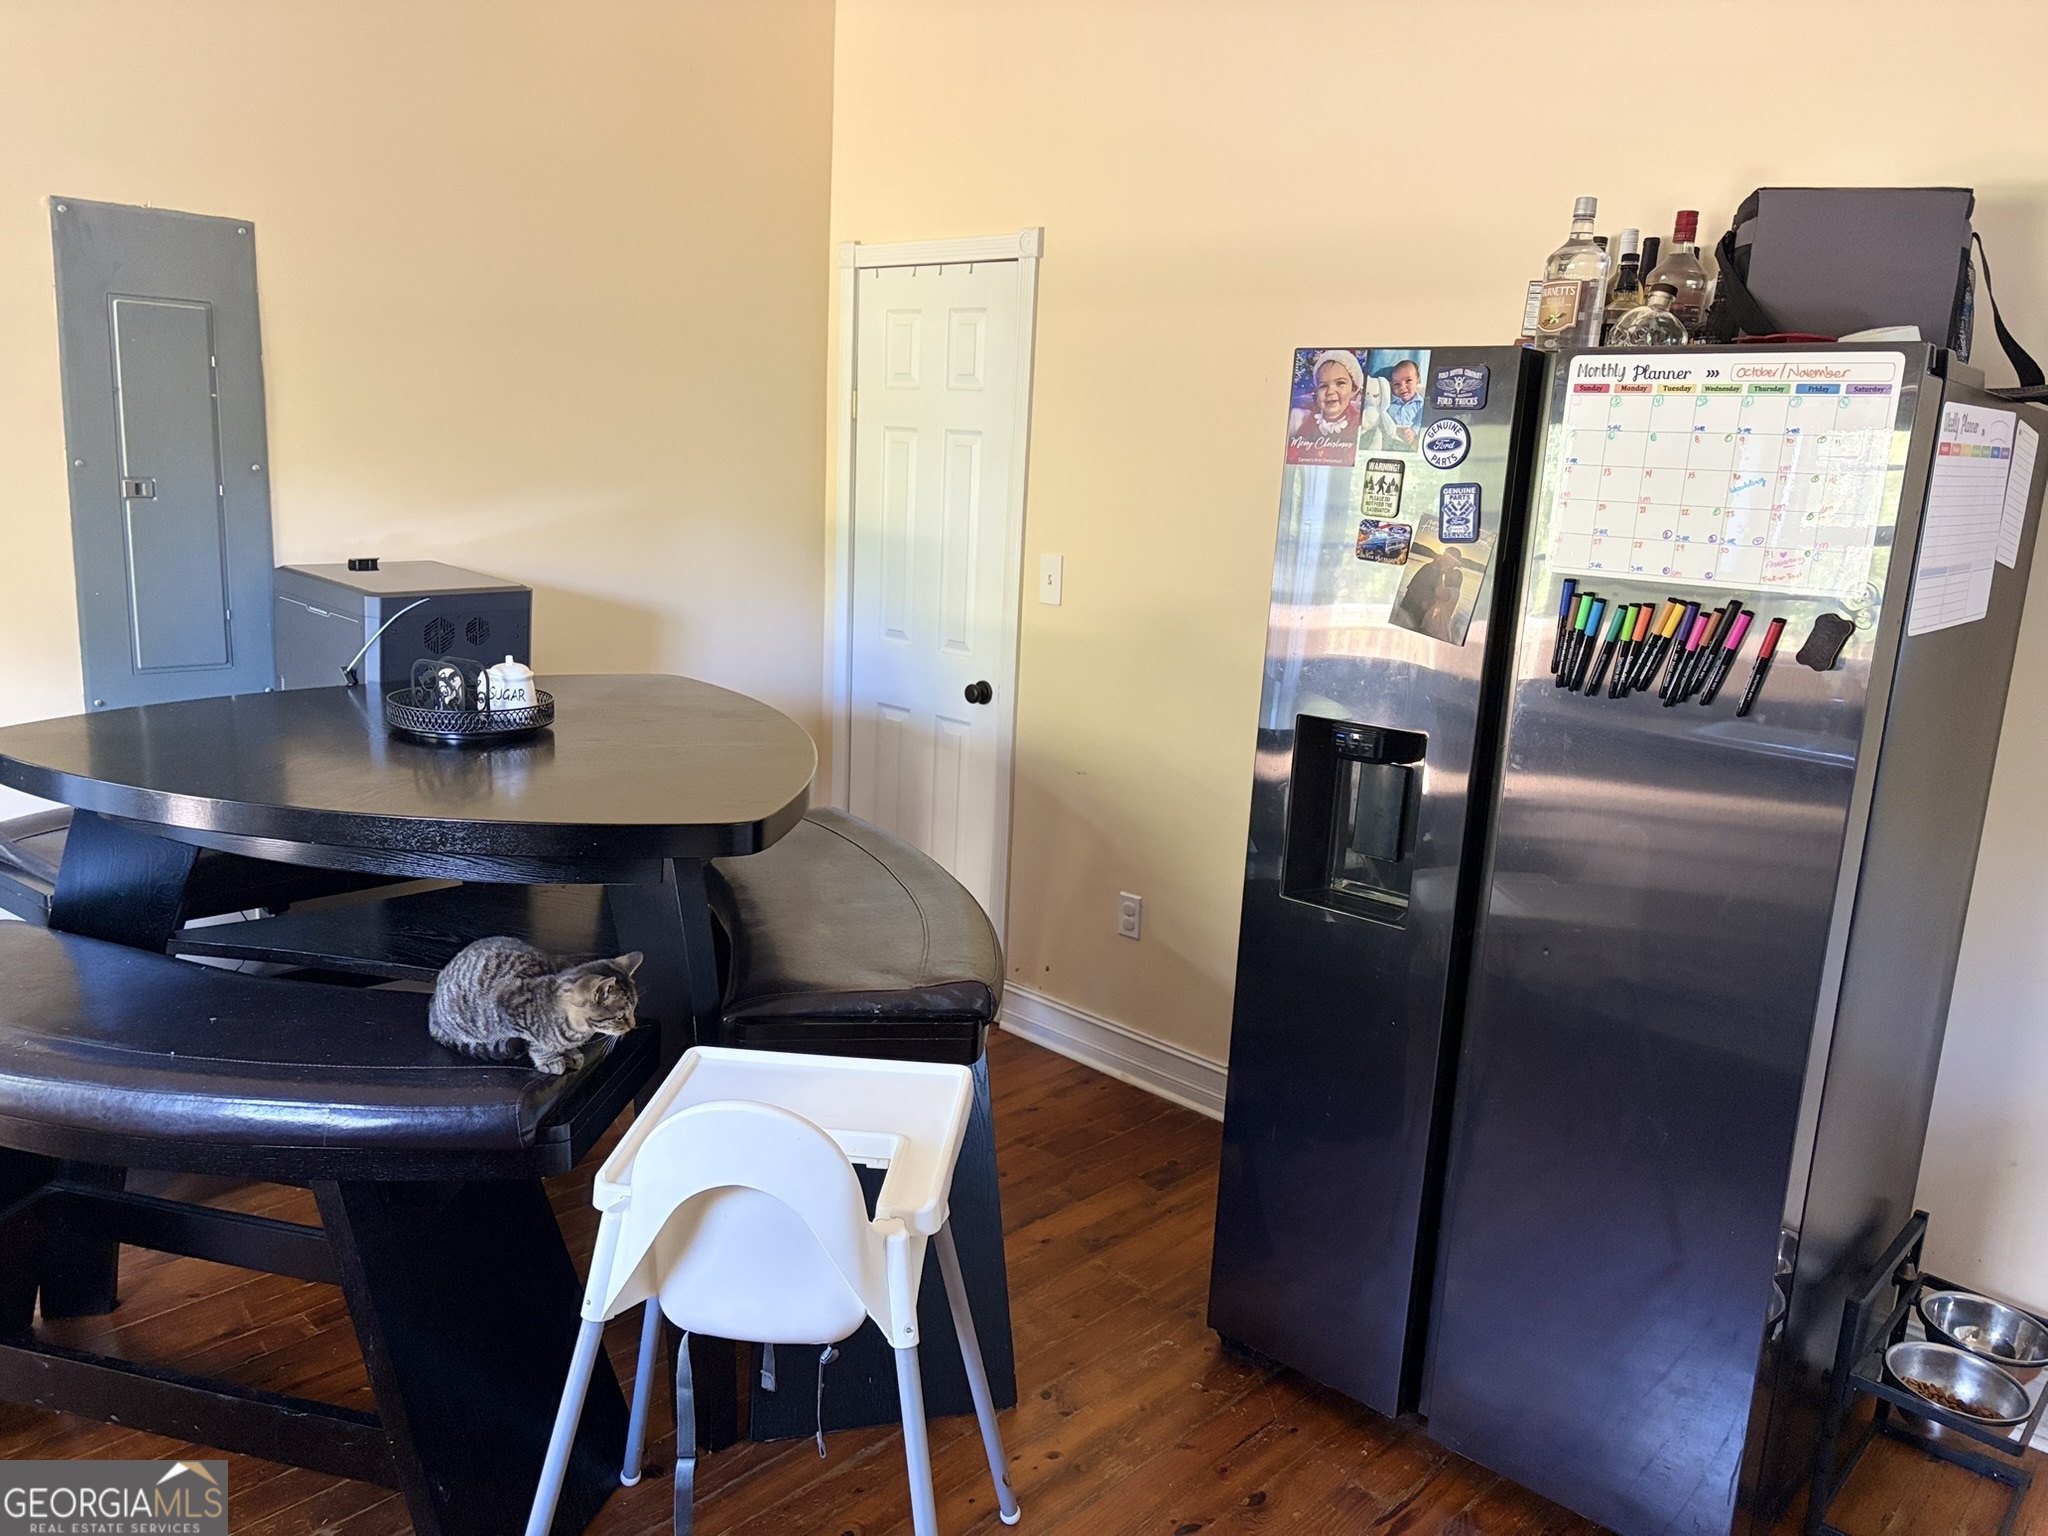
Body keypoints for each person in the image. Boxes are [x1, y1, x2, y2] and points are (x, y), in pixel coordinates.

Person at [1286, 350, 1365, 466]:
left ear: (1354, 389)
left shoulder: (1356, 420)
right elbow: (1298, 445)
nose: (1330, 391)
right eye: (1323, 386)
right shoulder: (1314, 417)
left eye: (1340, 383)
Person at [1393, 543, 1464, 637]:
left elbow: (1437, 594)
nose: (1446, 560)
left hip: (1420, 616)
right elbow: (1412, 587)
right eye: (1446, 556)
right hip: (1410, 609)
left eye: (1450, 559)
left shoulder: (1448, 586)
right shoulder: (1430, 569)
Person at [1382, 359, 1424, 450]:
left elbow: (1419, 422)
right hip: (1389, 438)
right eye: (1396, 384)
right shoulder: (1388, 401)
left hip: (1408, 440)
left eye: (1408, 381)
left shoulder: (1420, 403)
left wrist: (1413, 432)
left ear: (1417, 381)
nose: (1402, 387)